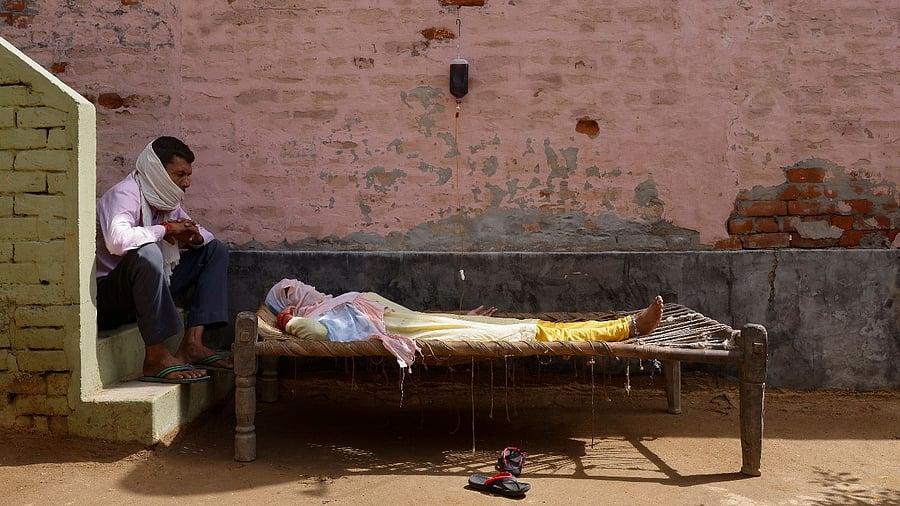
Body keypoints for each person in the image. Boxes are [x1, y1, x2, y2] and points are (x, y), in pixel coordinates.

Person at [266, 278, 664, 368]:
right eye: (289, 291)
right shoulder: (329, 316)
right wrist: (286, 320)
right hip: (435, 335)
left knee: (535, 324)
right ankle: (628, 327)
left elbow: (413, 316)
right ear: (293, 307)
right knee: (538, 331)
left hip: (437, 325)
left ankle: (628, 325)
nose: (301, 285)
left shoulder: (342, 300)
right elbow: (314, 334)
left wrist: (459, 317)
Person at [96, 136, 232, 383]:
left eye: (188, 175)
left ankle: (192, 344)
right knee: (148, 252)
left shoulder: (164, 199)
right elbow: (117, 241)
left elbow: (202, 234)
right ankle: (156, 357)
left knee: (214, 250)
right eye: (180, 175)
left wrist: (192, 236)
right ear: (157, 171)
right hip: (110, 300)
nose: (186, 183)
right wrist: (166, 230)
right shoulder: (125, 194)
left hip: (149, 291)